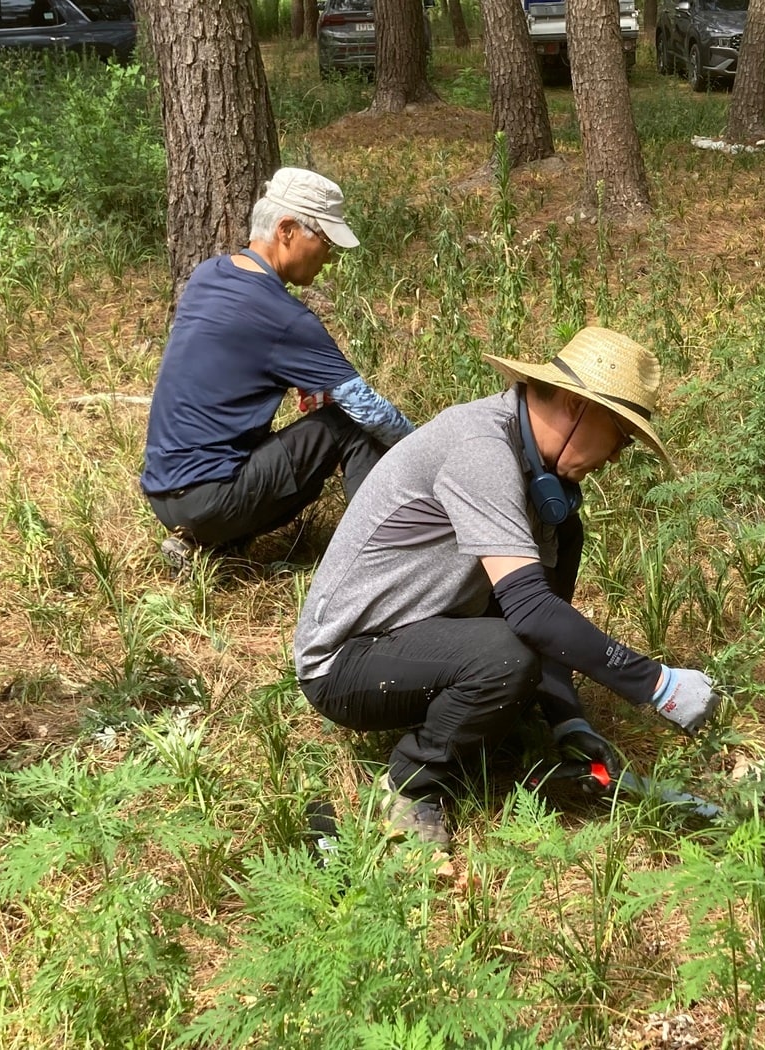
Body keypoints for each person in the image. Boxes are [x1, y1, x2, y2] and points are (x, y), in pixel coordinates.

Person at [293, 327, 721, 849]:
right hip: (345, 661)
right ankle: (408, 785)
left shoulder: (551, 498)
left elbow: (547, 624)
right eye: (620, 436)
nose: (614, 457)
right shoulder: (481, 449)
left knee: (517, 650)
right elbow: (532, 616)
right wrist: (658, 686)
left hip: (420, 637)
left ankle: (492, 723)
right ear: (574, 406)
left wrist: (569, 723)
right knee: (505, 657)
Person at [140, 167, 414, 572]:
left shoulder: (208, 275)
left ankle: (209, 546)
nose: (330, 256)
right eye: (324, 240)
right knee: (350, 423)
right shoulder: (286, 319)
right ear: (286, 230)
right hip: (210, 497)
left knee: (296, 438)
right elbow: (370, 411)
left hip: (165, 493)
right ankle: (380, 560)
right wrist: (427, 450)